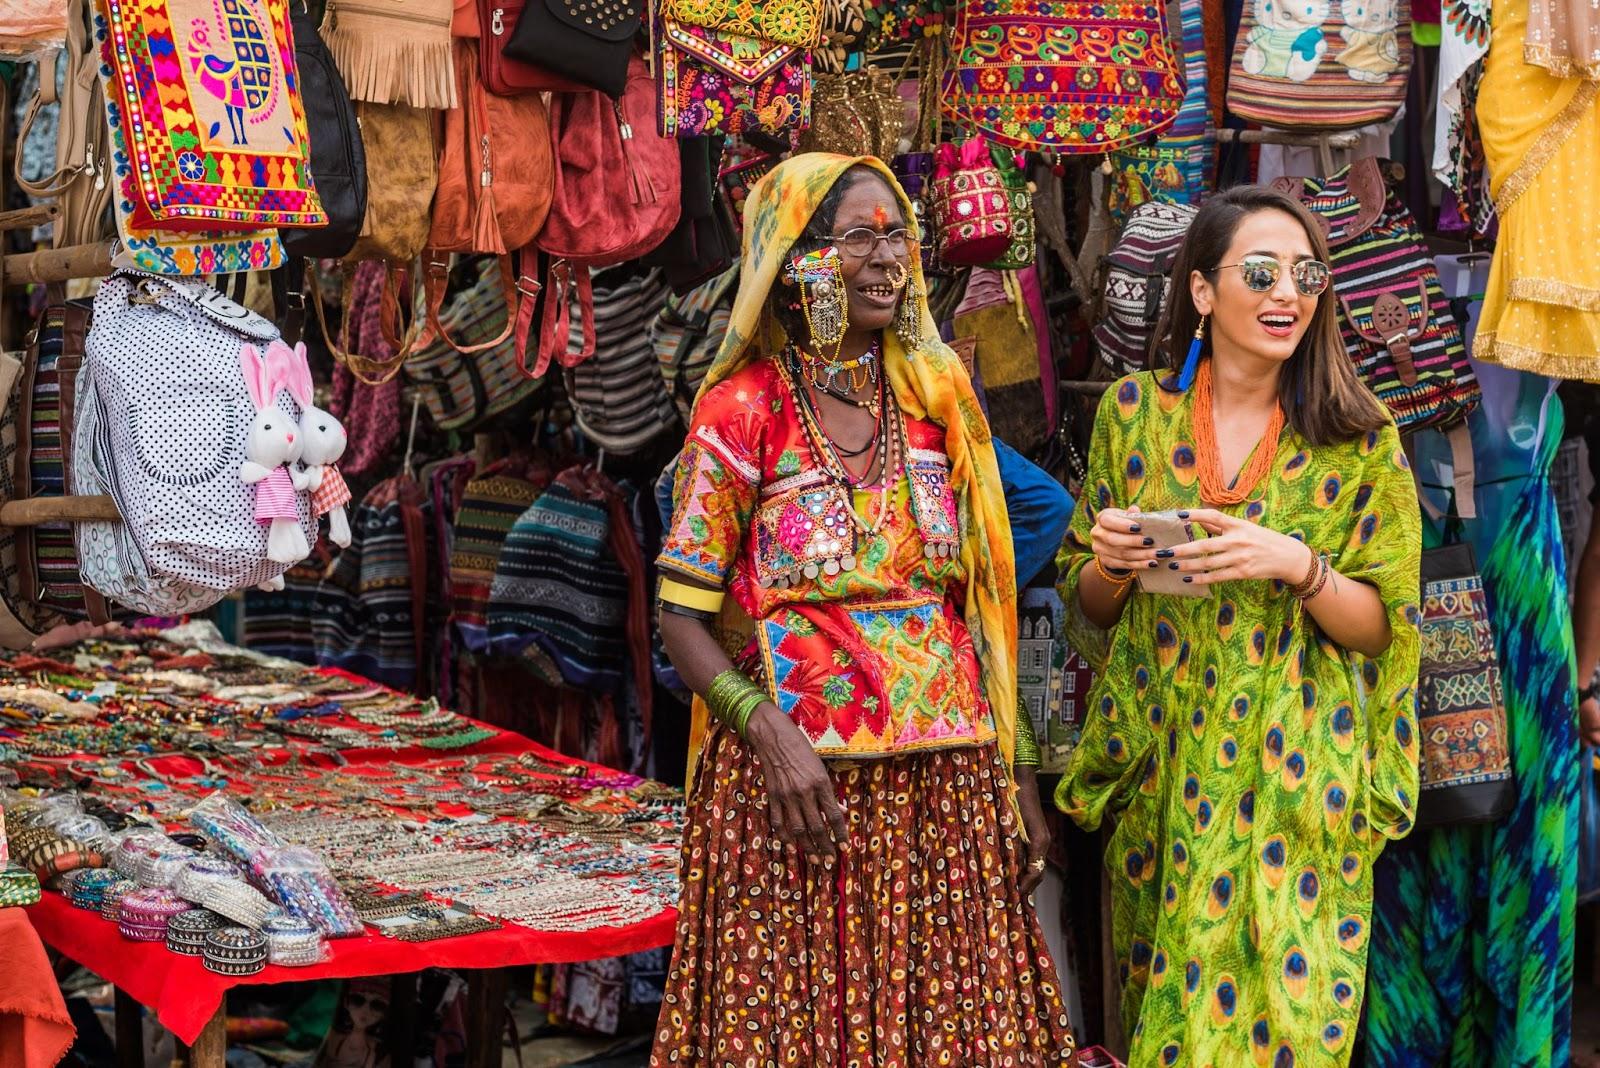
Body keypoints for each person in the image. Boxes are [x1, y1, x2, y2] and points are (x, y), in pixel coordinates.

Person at [650, 153, 1076, 1065]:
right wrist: (768, 735)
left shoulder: (935, 403)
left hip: (946, 795)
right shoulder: (741, 413)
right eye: (859, 237)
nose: (889, 258)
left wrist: (1020, 776)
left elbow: (982, 610)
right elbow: (679, 614)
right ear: (796, 259)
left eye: (899, 236)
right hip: (800, 796)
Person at [1054, 185, 1421, 1067]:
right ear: (1203, 291)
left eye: (1306, 275)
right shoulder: (1133, 417)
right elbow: (1085, 606)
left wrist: (1297, 566)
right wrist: (1111, 563)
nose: (1286, 294)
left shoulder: (1359, 438)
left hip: (1301, 783)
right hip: (1167, 781)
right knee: (1170, 1024)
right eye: (1259, 272)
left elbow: (1383, 628)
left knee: (1291, 1029)